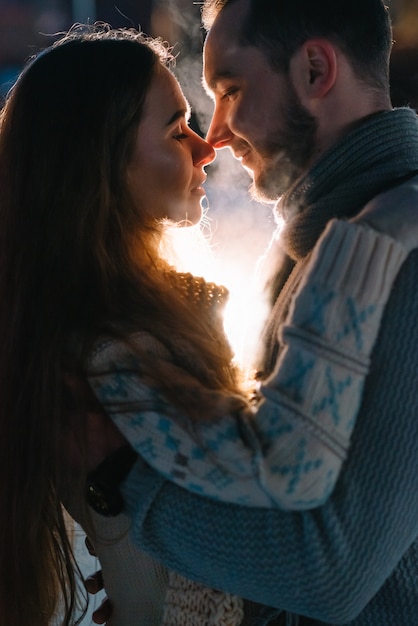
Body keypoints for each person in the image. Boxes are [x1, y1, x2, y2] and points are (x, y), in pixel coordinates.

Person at [0, 19, 407, 626]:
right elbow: (284, 473)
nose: (207, 143)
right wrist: (379, 234)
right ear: (100, 166)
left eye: (231, 92)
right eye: (177, 128)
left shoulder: (146, 317)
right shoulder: (112, 351)